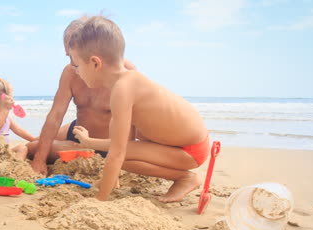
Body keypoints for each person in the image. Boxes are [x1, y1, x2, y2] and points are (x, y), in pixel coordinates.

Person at [67, 16, 210, 203]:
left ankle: (185, 177)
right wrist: (89, 143)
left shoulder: (123, 90)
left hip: (189, 151)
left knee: (119, 157)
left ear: (95, 63)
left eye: (77, 66)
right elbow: (123, 142)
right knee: (121, 157)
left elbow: (118, 152)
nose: (76, 72)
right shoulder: (127, 83)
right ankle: (183, 176)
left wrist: (100, 200)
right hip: (174, 145)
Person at [28, 17, 135, 175]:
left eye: (73, 57)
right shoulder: (70, 72)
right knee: (35, 146)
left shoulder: (124, 73)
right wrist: (39, 159)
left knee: (33, 147)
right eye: (68, 56)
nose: (71, 63)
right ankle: (20, 154)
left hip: (101, 145)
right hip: (77, 131)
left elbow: (133, 125)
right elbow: (55, 115)